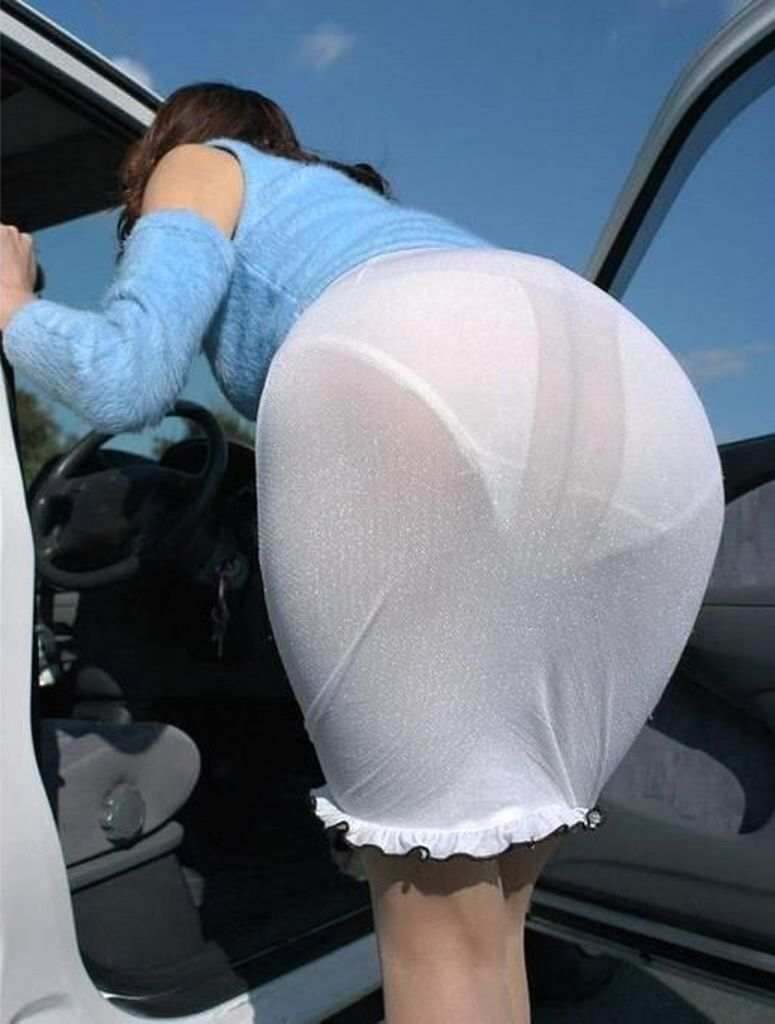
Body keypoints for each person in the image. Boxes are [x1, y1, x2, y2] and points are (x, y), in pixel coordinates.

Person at [0, 82, 725, 1024]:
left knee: (437, 936)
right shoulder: (360, 218)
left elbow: (122, 377)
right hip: (642, 399)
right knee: (493, 917)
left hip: (411, 367)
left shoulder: (199, 162)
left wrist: (12, 302)